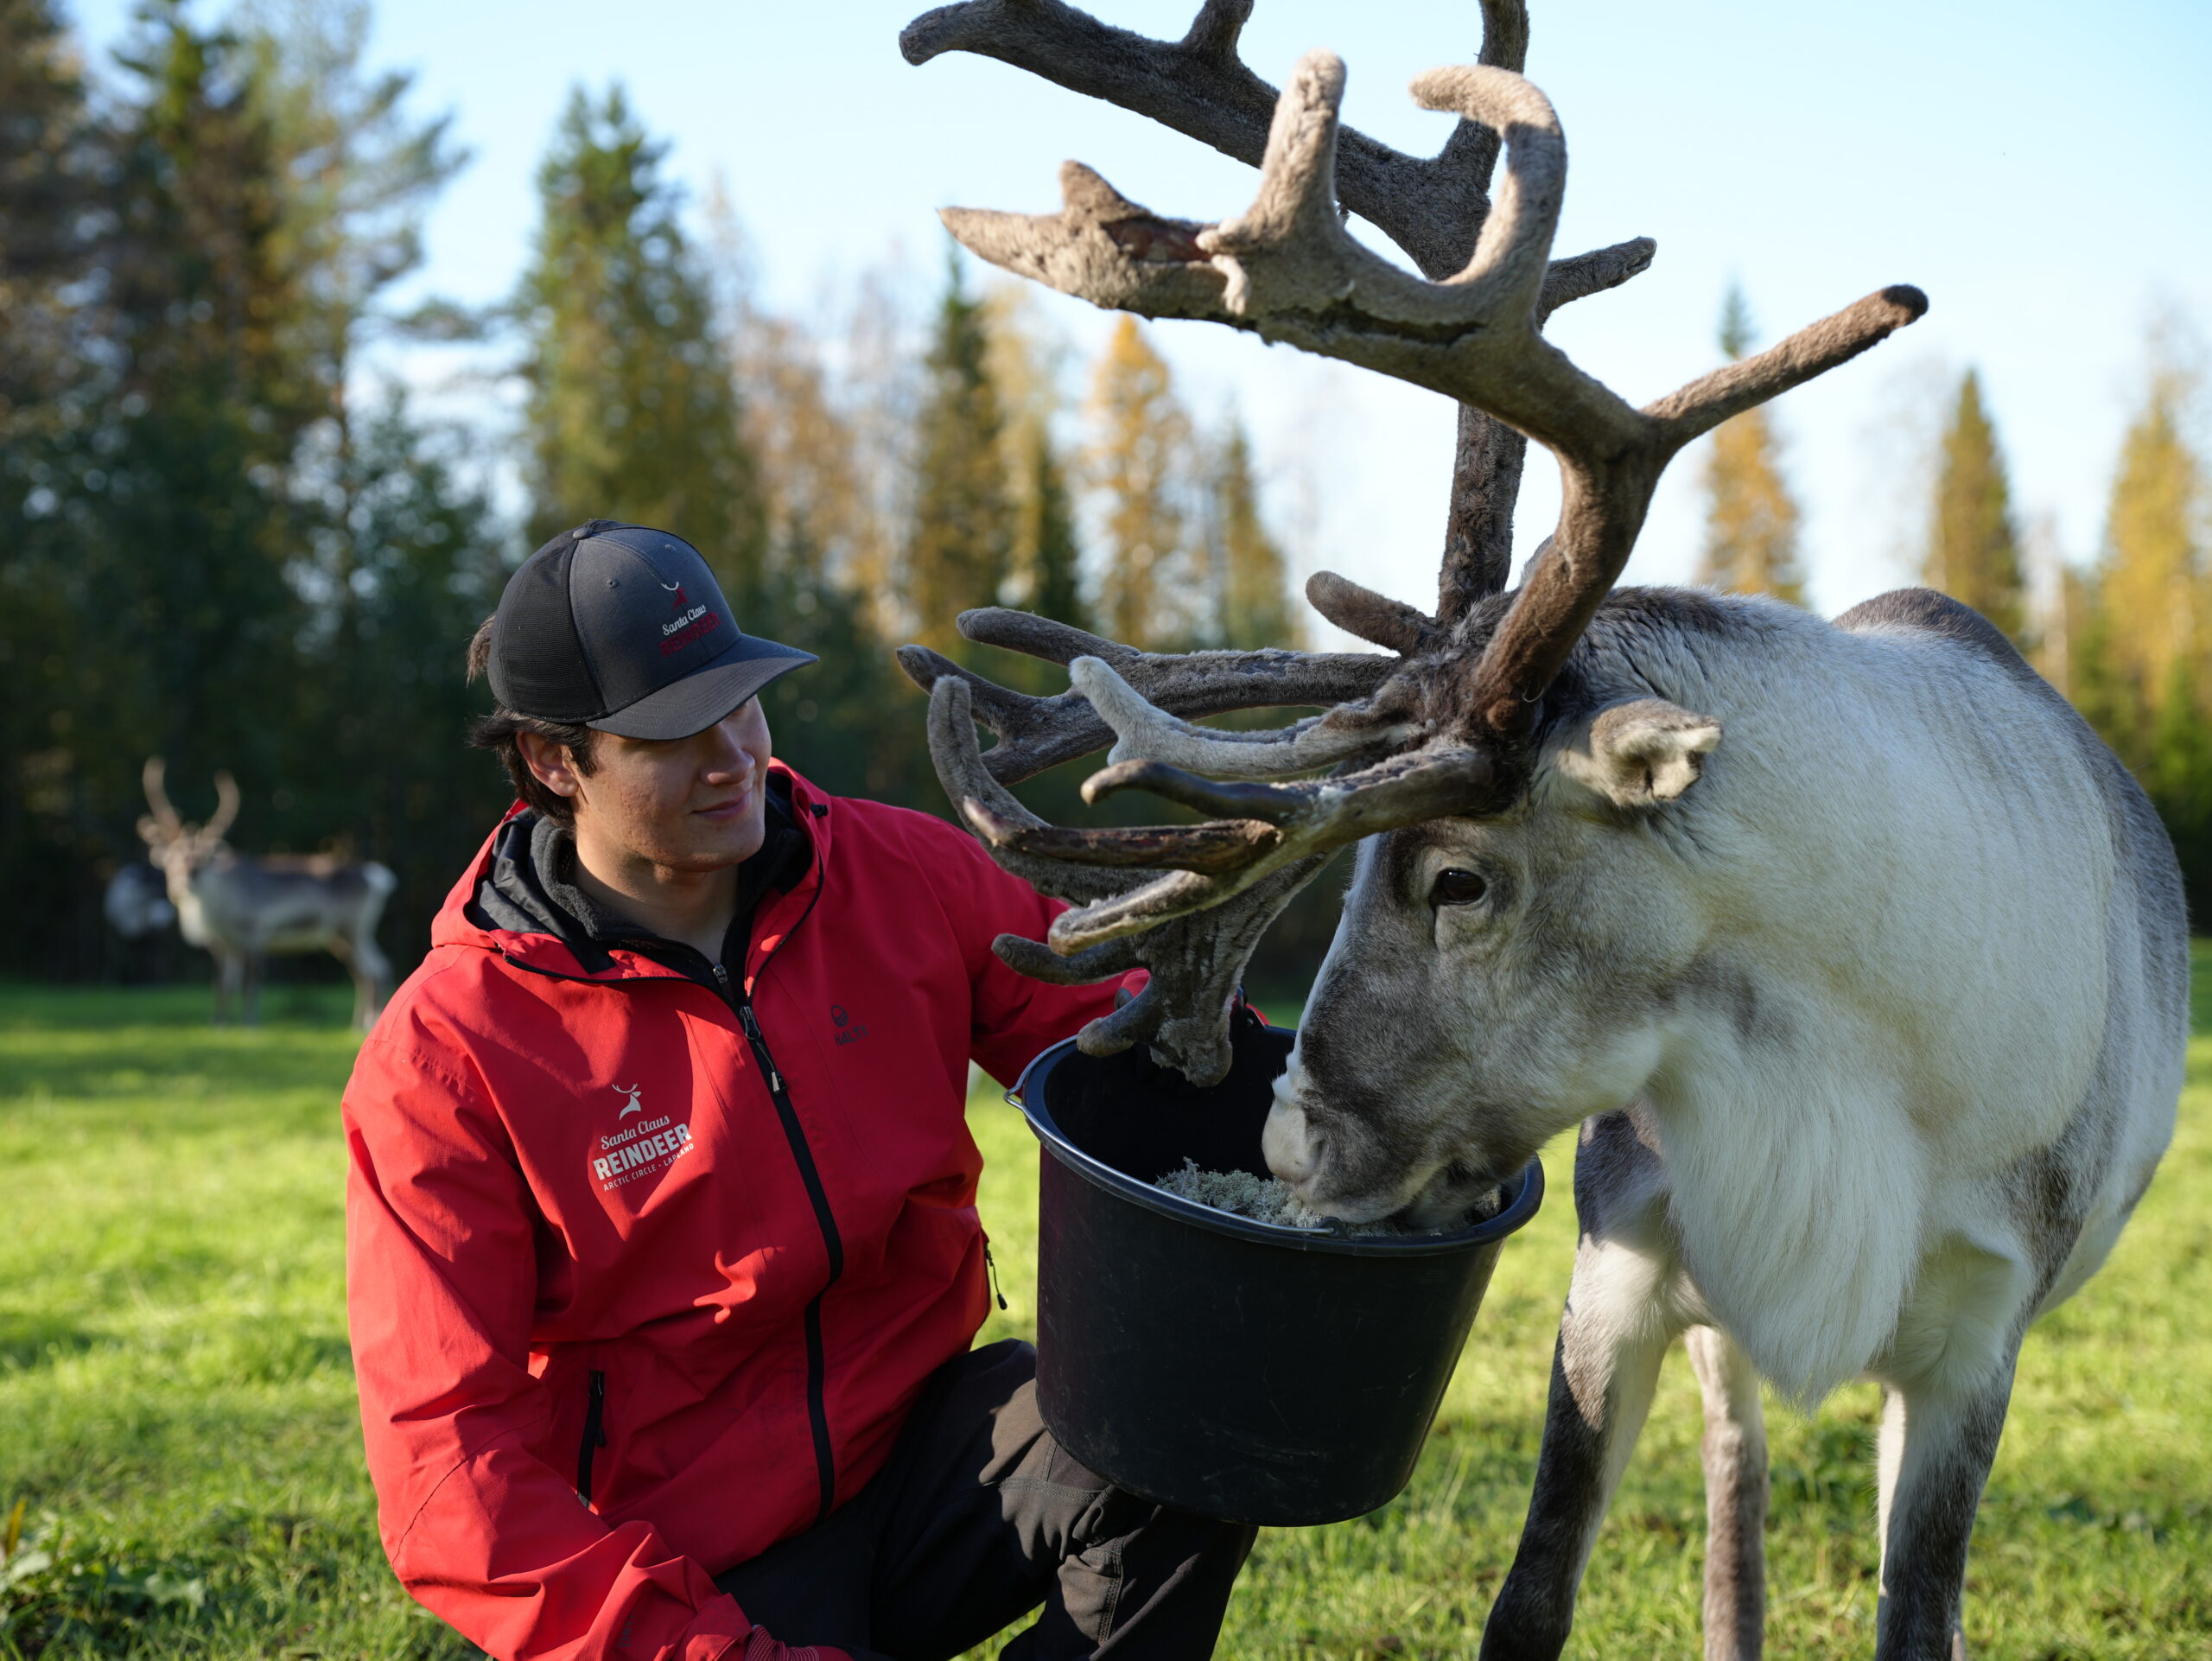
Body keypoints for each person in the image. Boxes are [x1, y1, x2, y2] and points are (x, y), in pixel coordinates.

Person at [341, 522, 1255, 1661]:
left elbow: (1119, 1045)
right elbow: (445, 1467)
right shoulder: (450, 1054)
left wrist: (1321, 1100)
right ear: (552, 759)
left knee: (1183, 1413)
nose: (731, 754)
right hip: (687, 1575)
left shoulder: (901, 874)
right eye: (674, 730)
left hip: (931, 1453)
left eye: (742, 701)